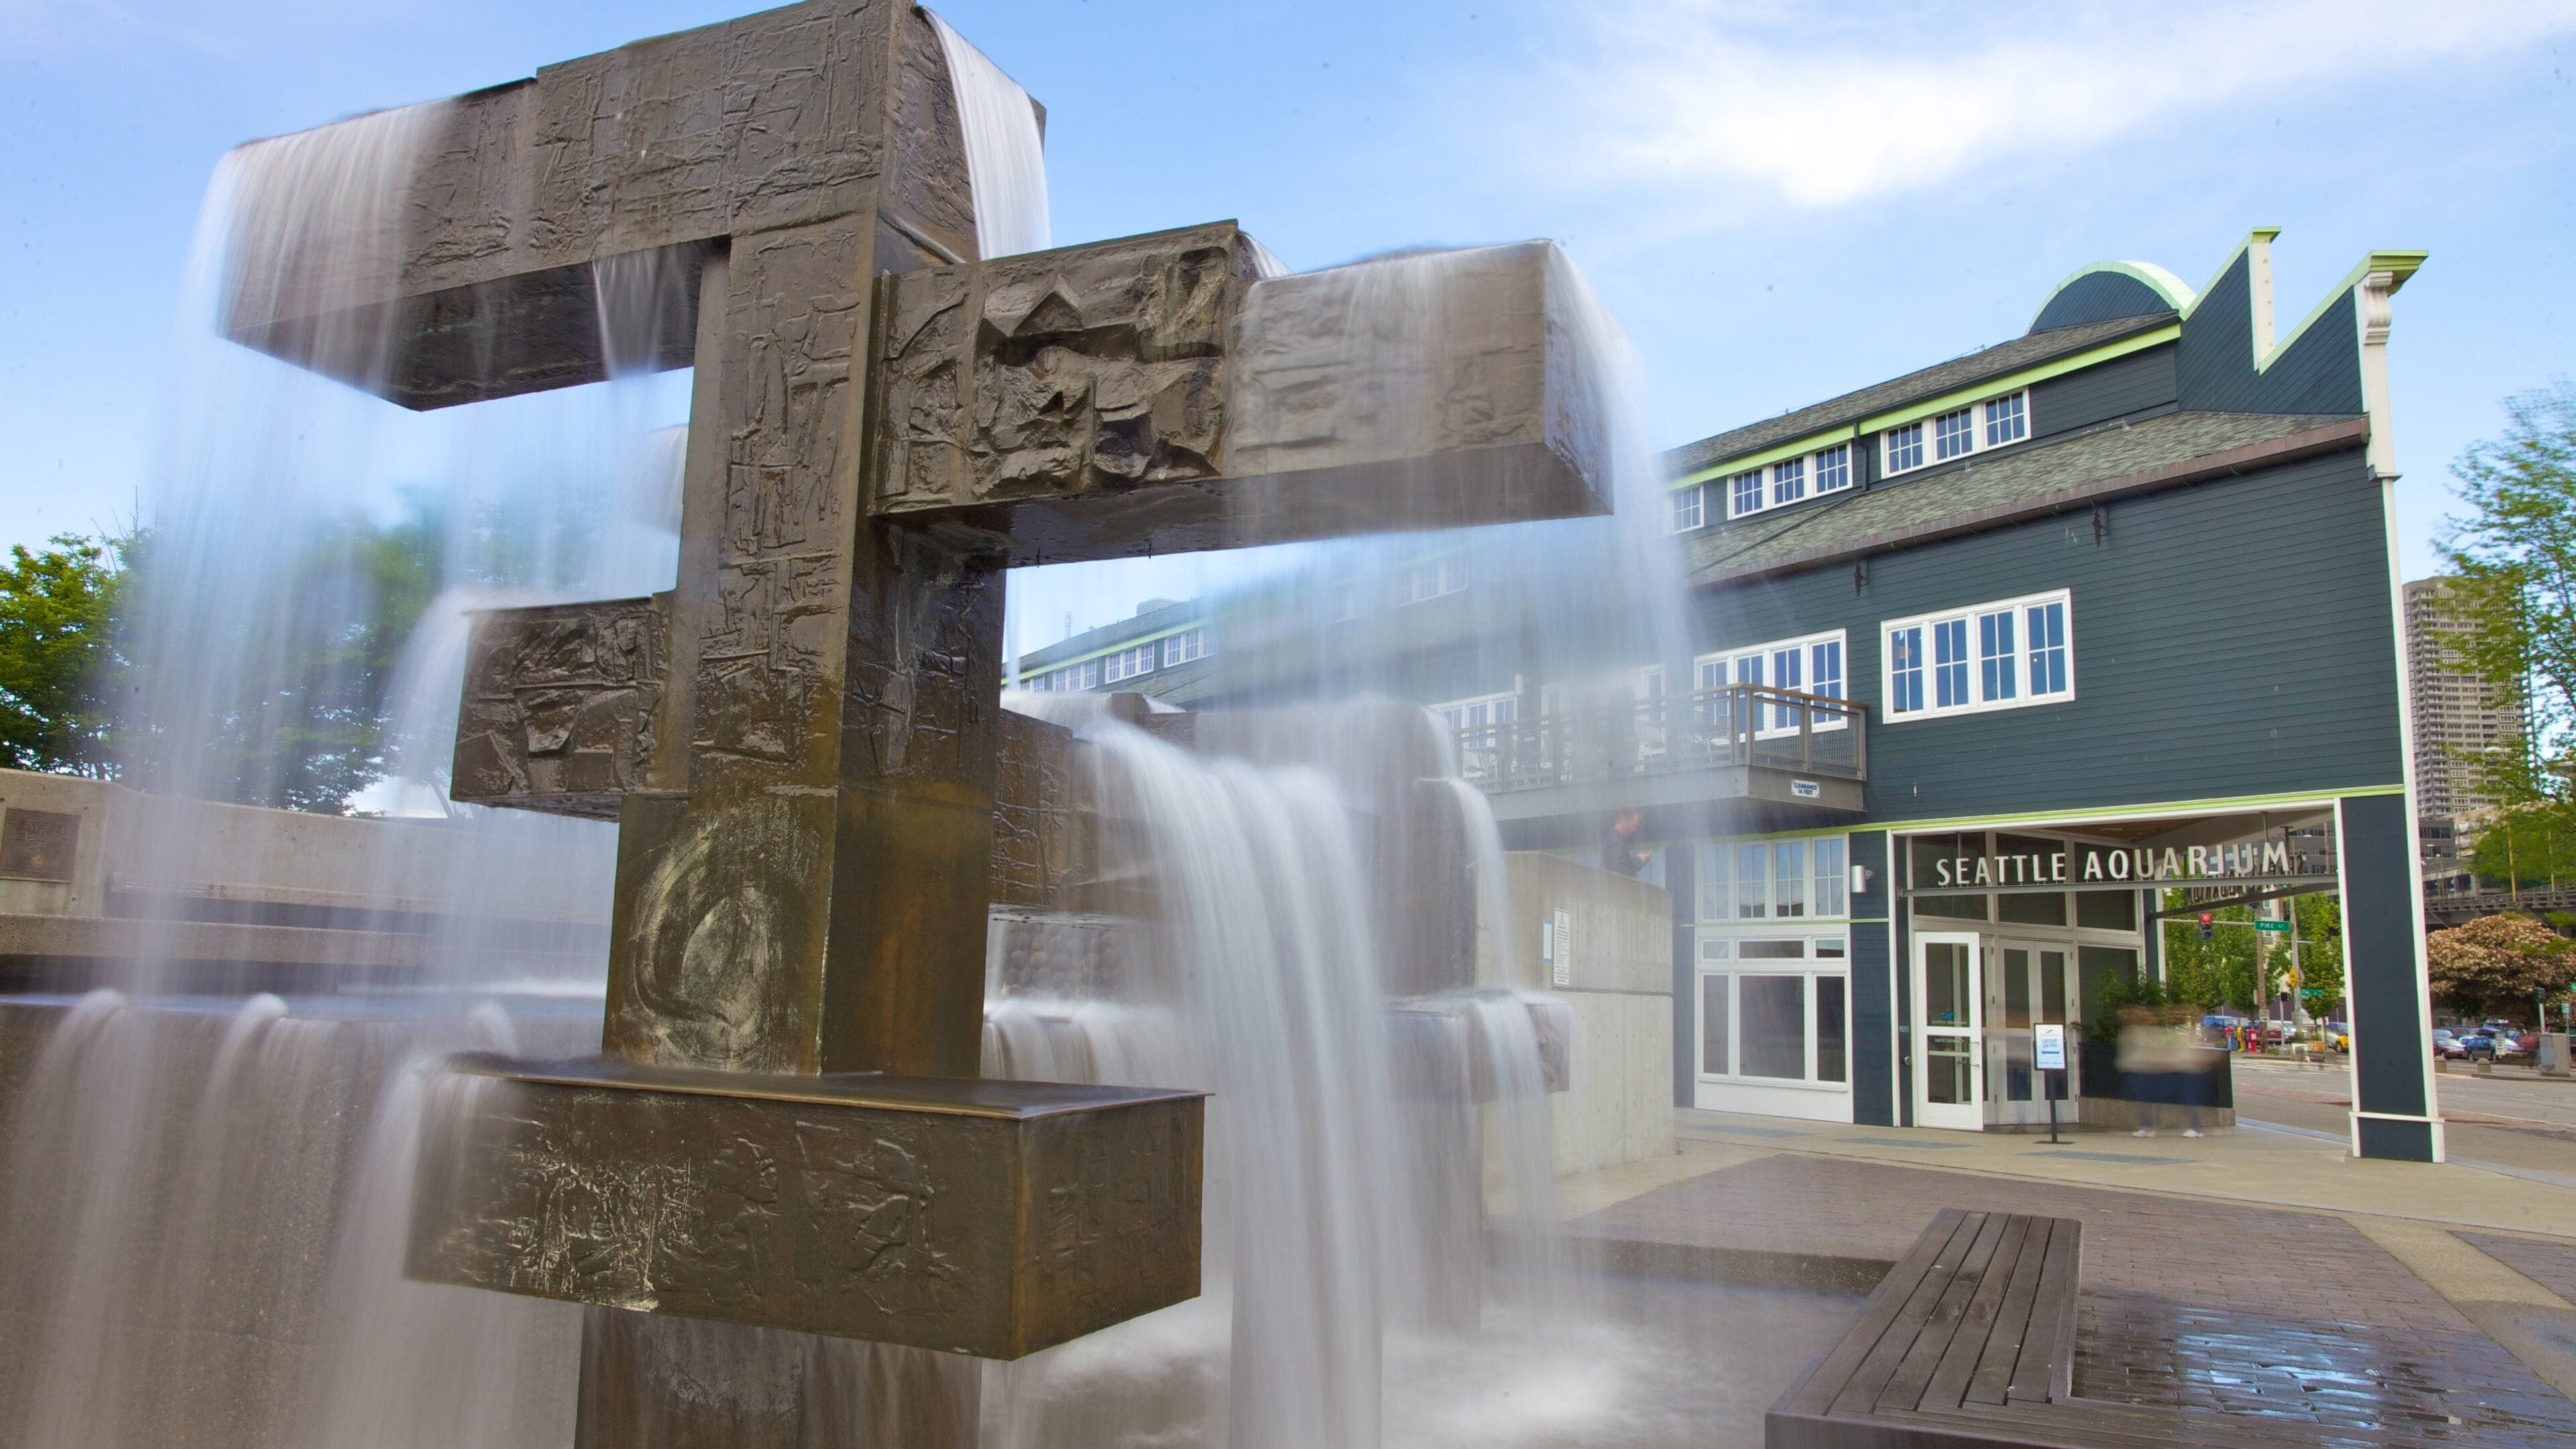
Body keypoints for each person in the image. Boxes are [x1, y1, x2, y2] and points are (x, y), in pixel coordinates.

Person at [1601, 807, 1648, 877]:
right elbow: (1620, 868)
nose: (1634, 830)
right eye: (1634, 826)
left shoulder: (1615, 840)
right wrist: (1639, 860)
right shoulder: (1615, 841)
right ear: (1624, 820)